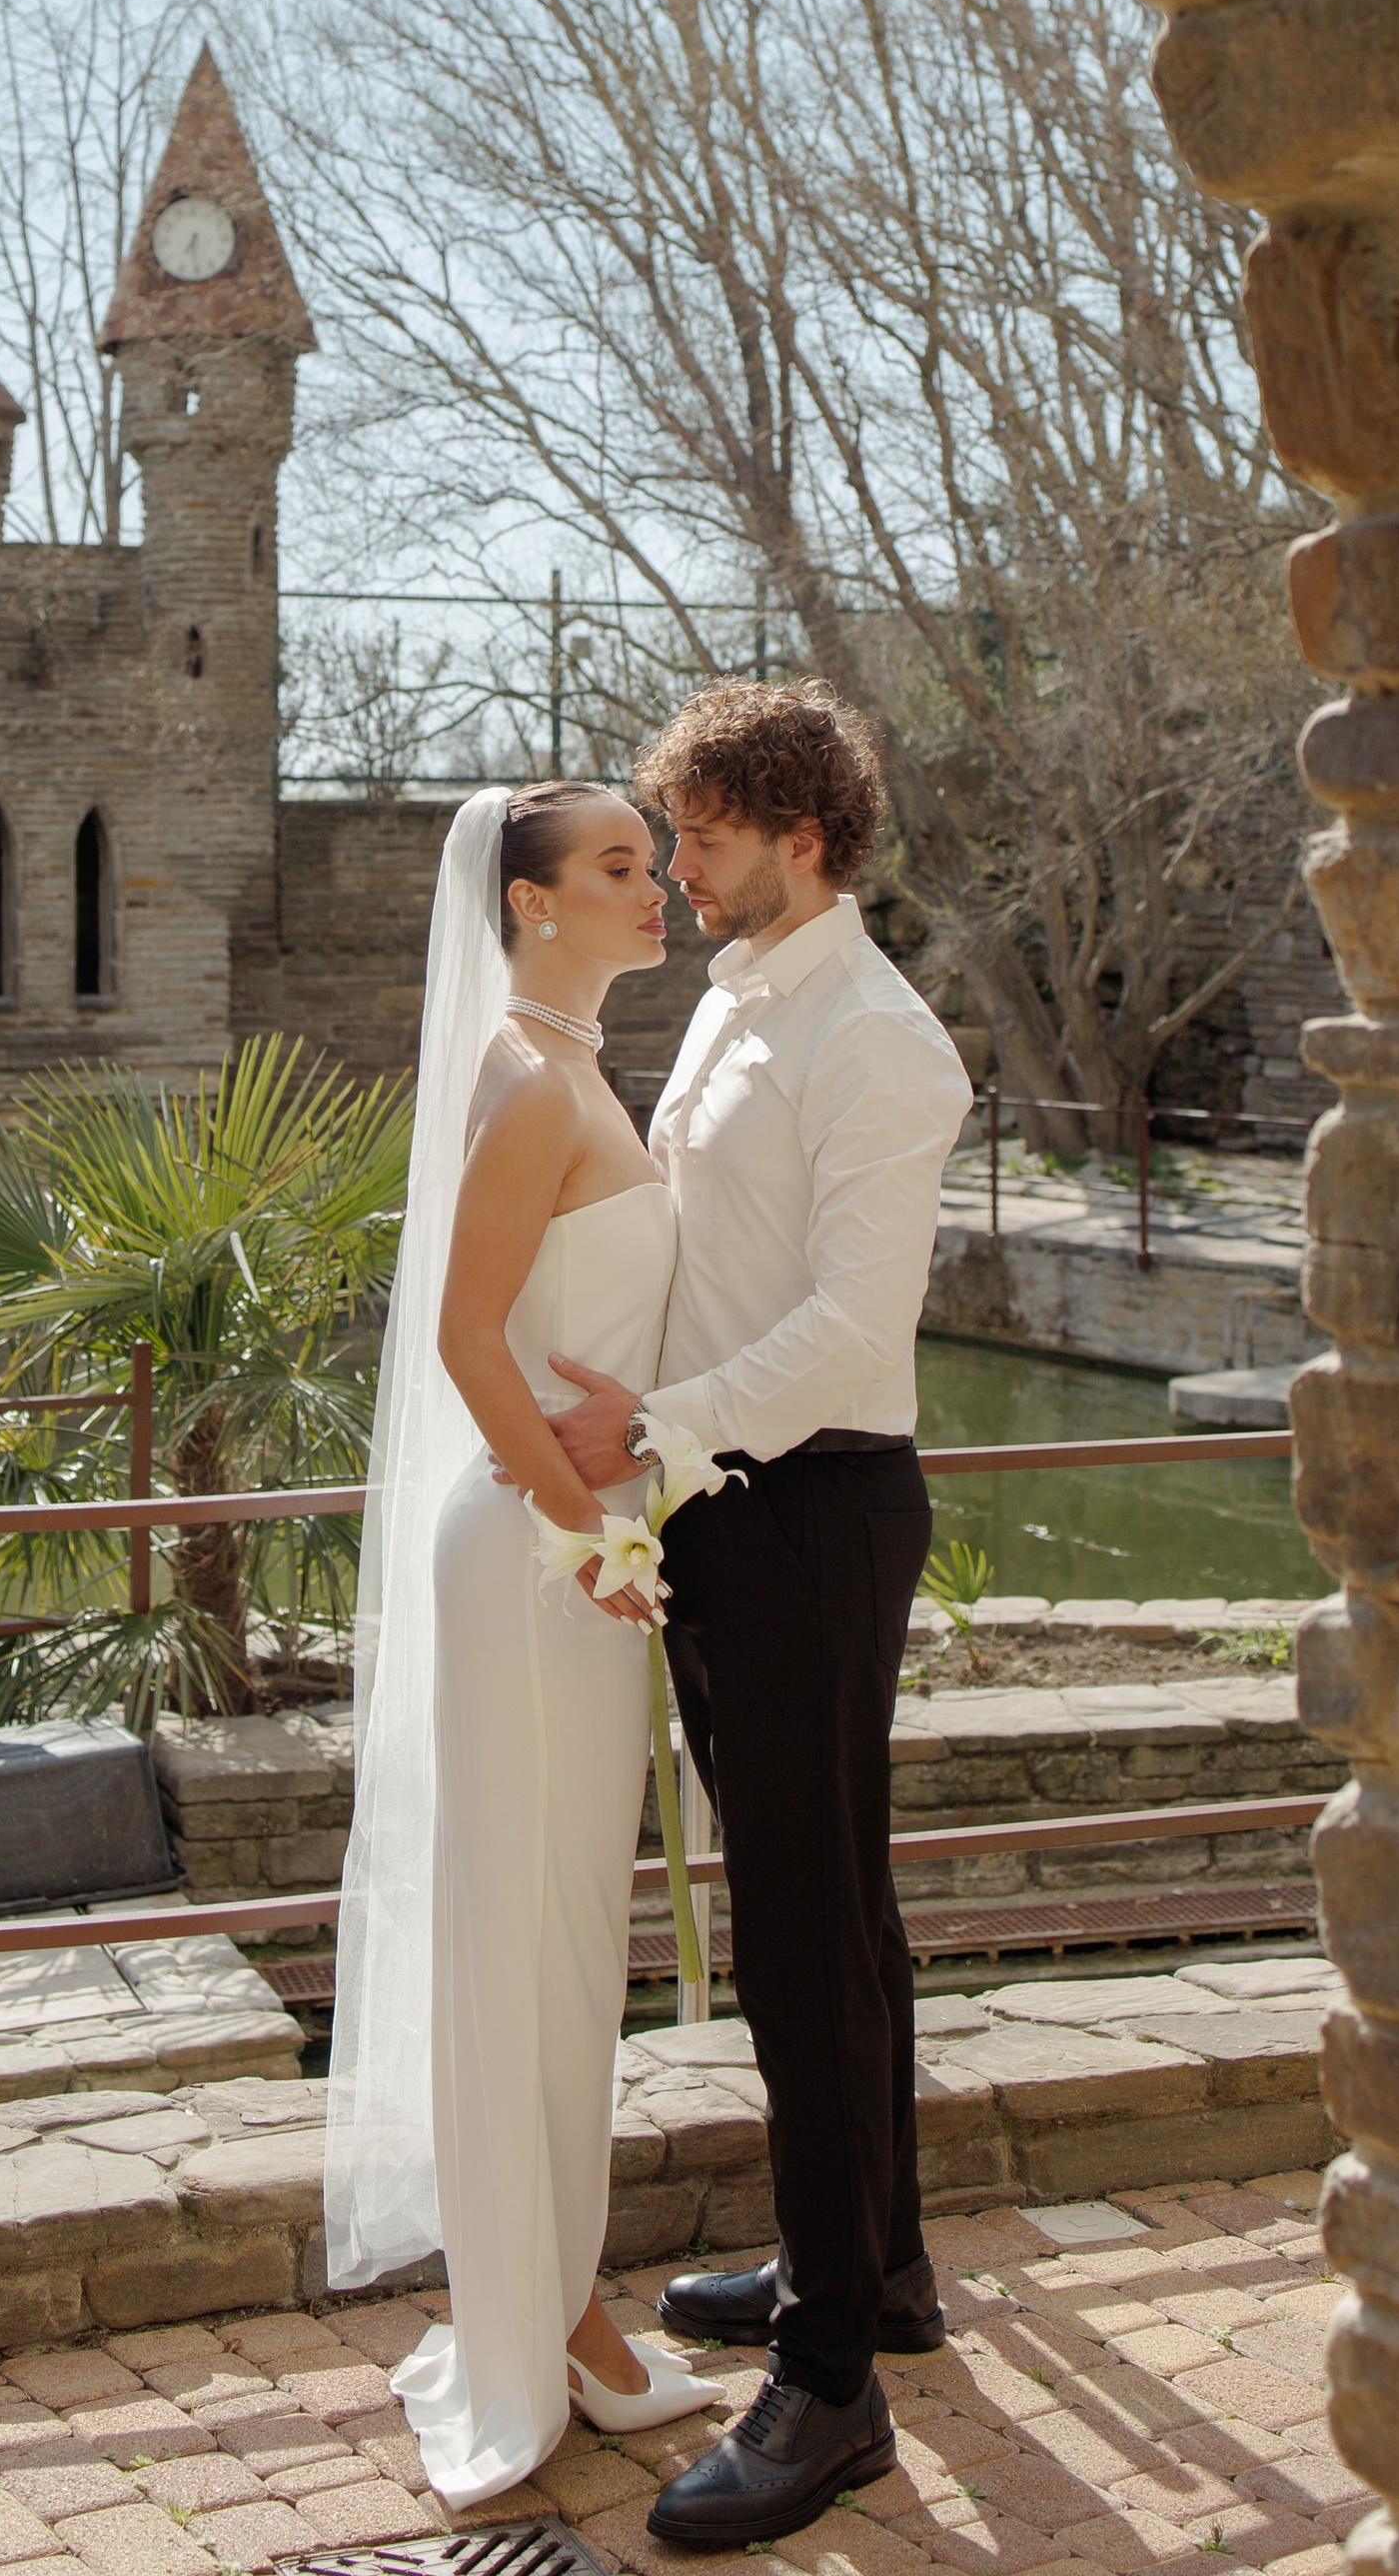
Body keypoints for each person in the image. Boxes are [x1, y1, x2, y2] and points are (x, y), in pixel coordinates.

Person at [542, 680, 974, 2550]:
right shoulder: (734, 1001)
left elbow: (851, 1341)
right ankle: (875, 2270)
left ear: (804, 835)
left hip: (808, 1510)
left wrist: (656, 1425)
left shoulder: (883, 1046)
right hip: (725, 1504)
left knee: (805, 1939)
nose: (680, 865)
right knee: (837, 1914)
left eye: (703, 833)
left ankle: (829, 2389)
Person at [324, 780, 720, 2508]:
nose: (661, 892)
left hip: (576, 1556)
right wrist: (585, 1528)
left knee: (570, 1937)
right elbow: (468, 1330)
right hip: (534, 1562)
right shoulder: (525, 1075)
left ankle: (563, 2304)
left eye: (655, 865)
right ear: (528, 902)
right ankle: (538, 2323)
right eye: (622, 871)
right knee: (525, 1941)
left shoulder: (577, 1068)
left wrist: (607, 1522)